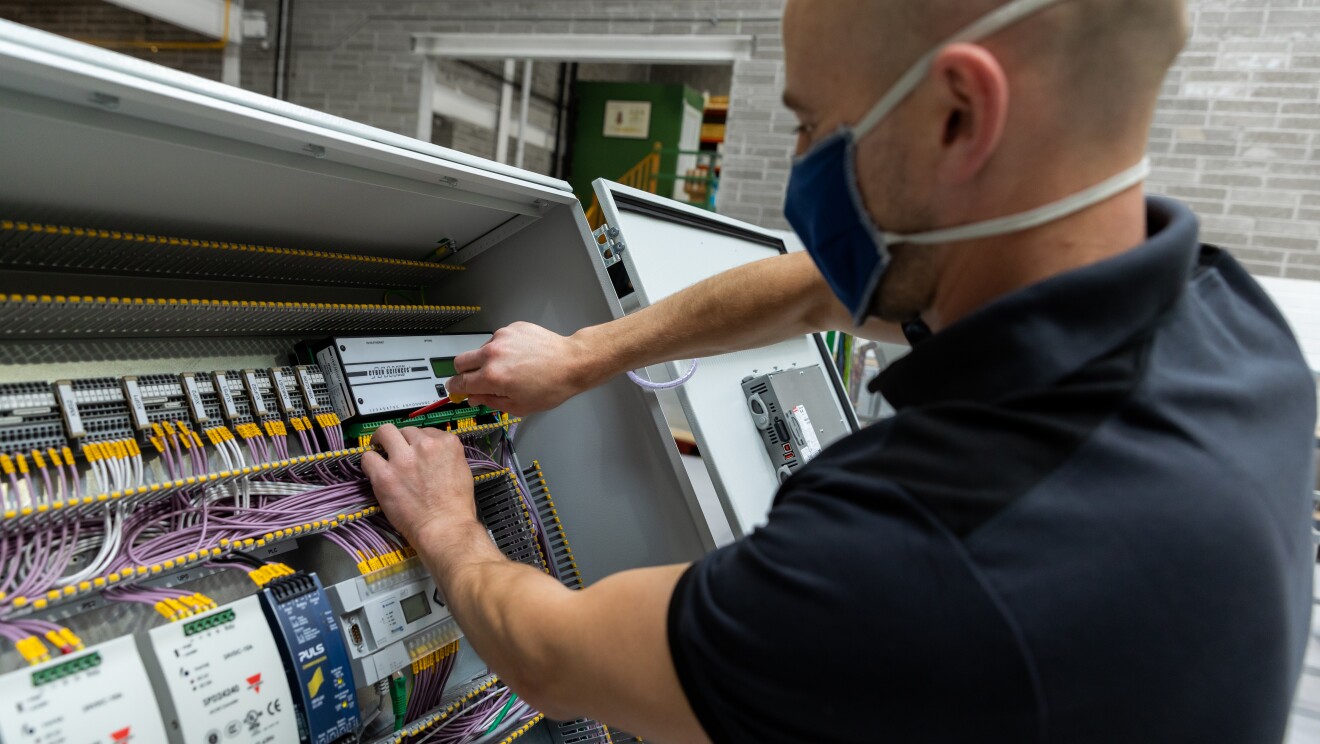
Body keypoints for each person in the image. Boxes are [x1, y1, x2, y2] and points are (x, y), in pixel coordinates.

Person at [361, 0, 1318, 741]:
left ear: (957, 115)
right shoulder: (1227, 323)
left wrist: (449, 530)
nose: (803, 164)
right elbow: (826, 290)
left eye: (817, 125)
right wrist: (583, 355)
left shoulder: (920, 562)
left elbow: (551, 660)